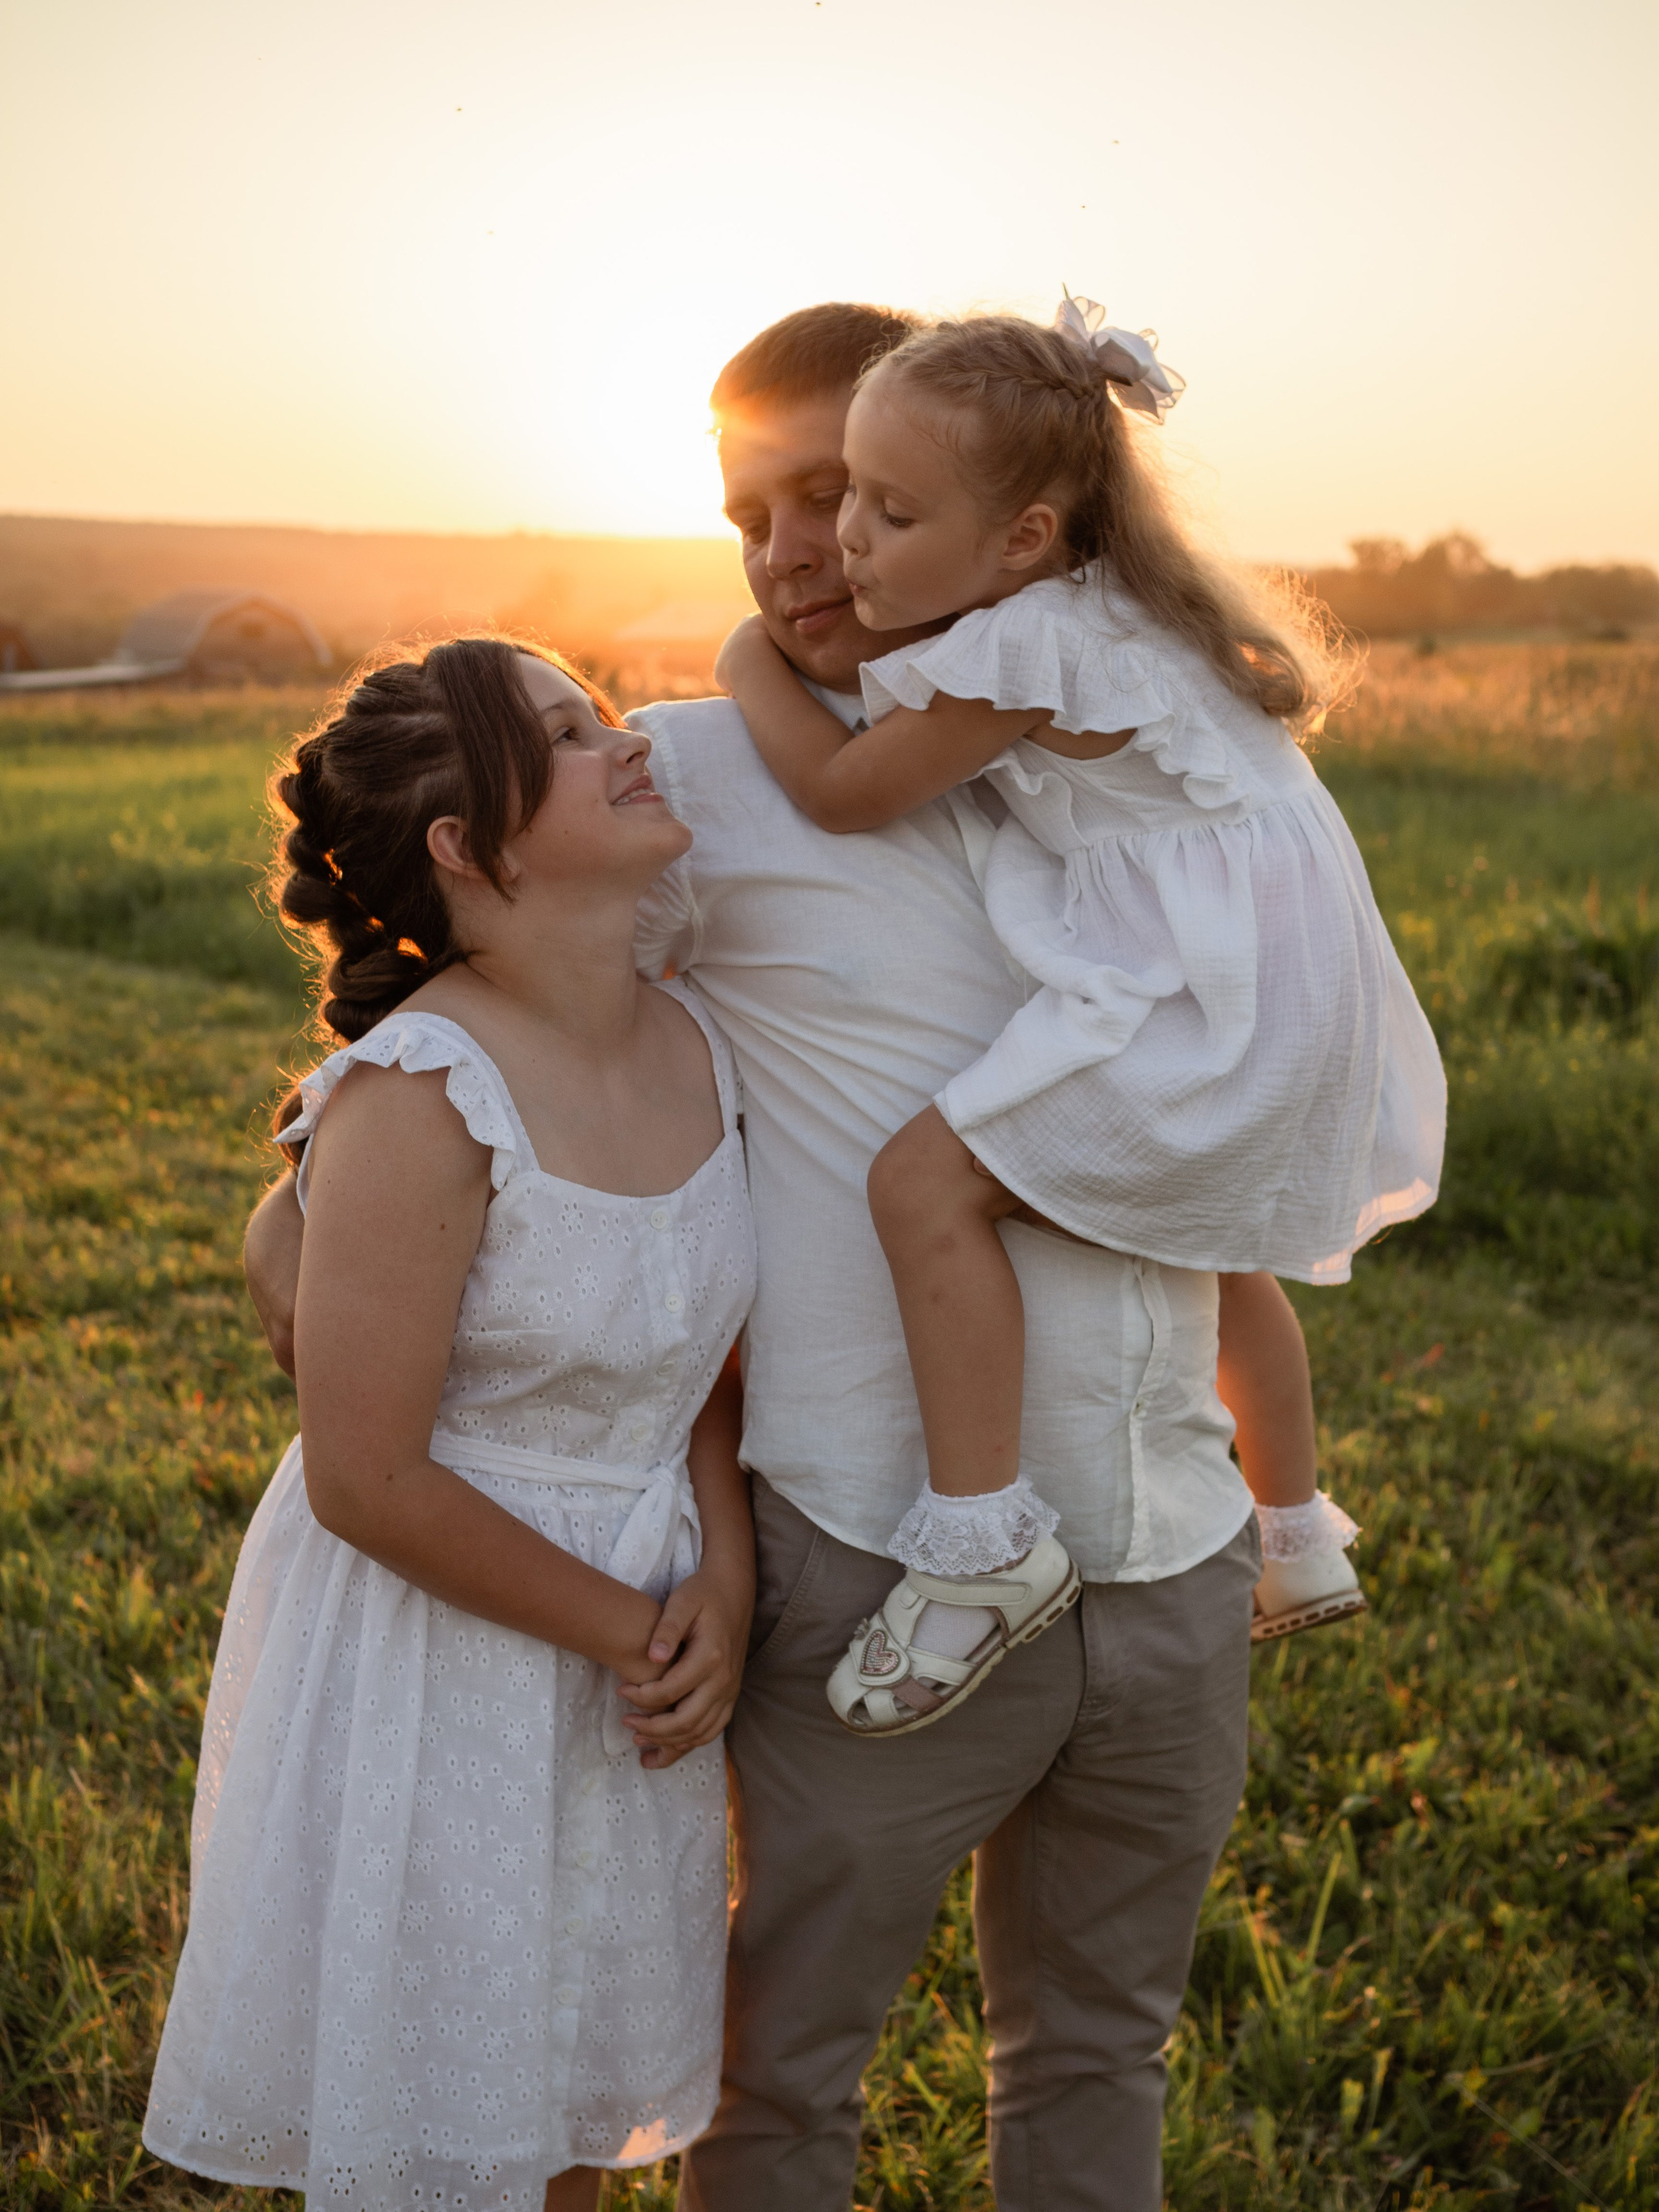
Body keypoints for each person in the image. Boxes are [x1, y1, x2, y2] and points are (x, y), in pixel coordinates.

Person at [242, 305, 1316, 2212]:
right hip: (878, 1563)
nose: (793, 552)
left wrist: (1277, 1475)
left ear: (991, 512)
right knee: (778, 2072)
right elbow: (444, 1060)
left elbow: (1250, 1067)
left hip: (1167, 1543)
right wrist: (322, 1259)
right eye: (751, 513)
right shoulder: (681, 786)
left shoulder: (1137, 732)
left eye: (836, 495)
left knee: (1097, 2045)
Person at [715, 299, 1446, 1732]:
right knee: (1208, 1237)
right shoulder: (1117, 614)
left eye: (883, 507)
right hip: (1276, 1003)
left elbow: (845, 790)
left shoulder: (1029, 649)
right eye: (840, 496)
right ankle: (1292, 1531)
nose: (847, 542)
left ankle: (978, 1538)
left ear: (1023, 540)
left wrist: (748, 663)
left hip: (1206, 1010)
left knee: (921, 1187)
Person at [145, 638, 758, 2212]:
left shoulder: (701, 1038)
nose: (625, 742)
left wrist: (727, 1581)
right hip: (449, 1653)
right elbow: (365, 1476)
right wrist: (632, 1628)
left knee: (563, 2101)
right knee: (443, 2126)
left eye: (604, 713)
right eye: (567, 734)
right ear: (466, 844)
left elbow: (692, 1361)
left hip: (650, 1639)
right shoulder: (423, 1093)